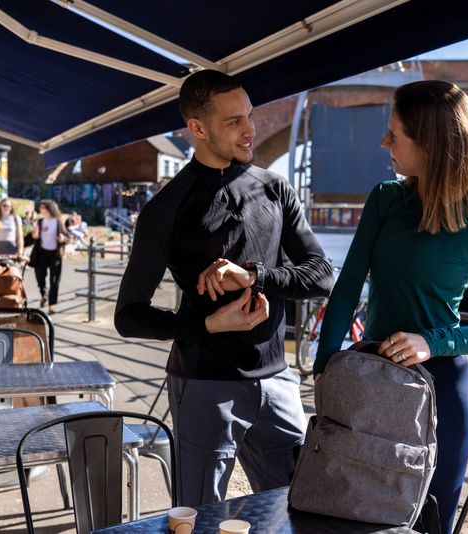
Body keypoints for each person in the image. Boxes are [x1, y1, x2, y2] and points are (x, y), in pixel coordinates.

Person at [313, 80, 468, 534]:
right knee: (351, 512)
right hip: (369, 381)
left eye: (395, 134)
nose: (383, 142)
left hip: (441, 391)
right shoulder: (386, 199)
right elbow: (347, 286)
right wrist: (325, 366)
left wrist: (433, 342)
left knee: (428, 524)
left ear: (431, 143)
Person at [115, 69, 333, 507]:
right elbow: (129, 315)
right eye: (234, 121)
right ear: (197, 128)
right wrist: (207, 324)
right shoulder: (165, 208)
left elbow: (323, 275)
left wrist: (256, 275)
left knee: (297, 507)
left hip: (277, 381)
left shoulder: (274, 188)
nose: (250, 129)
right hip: (204, 385)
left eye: (249, 116)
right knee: (200, 517)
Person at [31, 199, 68, 313]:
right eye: (41, 208)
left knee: (54, 279)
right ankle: (44, 293)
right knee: (39, 275)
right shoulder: (40, 221)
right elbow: (34, 236)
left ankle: (52, 305)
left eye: (43, 207)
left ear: (50, 209)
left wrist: (62, 239)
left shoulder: (58, 222)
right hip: (41, 253)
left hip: (55, 254)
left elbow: (67, 237)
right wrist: (35, 236)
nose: (41, 210)